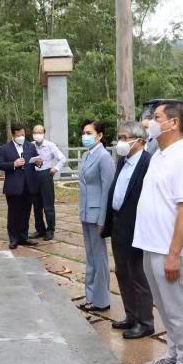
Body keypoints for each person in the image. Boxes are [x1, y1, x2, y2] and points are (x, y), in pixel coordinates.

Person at [133, 101, 183, 364]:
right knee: (164, 306)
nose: (149, 122)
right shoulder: (159, 155)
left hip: (169, 250)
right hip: (151, 245)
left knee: (179, 309)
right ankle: (174, 354)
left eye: (156, 117)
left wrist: (174, 254)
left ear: (173, 122)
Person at [101, 122, 154, 339]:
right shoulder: (122, 161)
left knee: (138, 276)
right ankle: (131, 316)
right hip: (119, 224)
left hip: (137, 227)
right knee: (122, 272)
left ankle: (145, 322)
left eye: (124, 138)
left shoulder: (149, 163)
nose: (120, 142)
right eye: (120, 137)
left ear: (139, 141)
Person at [78, 120, 115, 311]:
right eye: (84, 133)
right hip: (86, 213)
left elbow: (107, 190)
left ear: (99, 136)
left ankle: (102, 300)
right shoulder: (86, 155)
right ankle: (91, 296)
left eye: (89, 133)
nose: (85, 136)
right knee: (91, 257)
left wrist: (103, 220)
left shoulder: (104, 157)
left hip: (97, 215)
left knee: (99, 259)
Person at [0, 124, 42, 249]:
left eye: (23, 134)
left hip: (29, 185)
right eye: (19, 135)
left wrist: (39, 162)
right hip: (14, 185)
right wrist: (13, 164)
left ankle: (23, 236)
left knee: (26, 213)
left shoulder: (30, 146)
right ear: (13, 135)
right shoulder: (5, 148)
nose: (22, 137)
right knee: (13, 213)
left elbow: (36, 160)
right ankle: (13, 238)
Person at [30, 124, 67, 241]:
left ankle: (50, 229)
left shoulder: (50, 145)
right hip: (33, 176)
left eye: (40, 132)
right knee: (36, 205)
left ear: (44, 133)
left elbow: (62, 158)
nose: (37, 135)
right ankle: (40, 229)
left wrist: (55, 168)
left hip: (46, 175)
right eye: (35, 133)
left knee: (48, 205)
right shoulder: (30, 145)